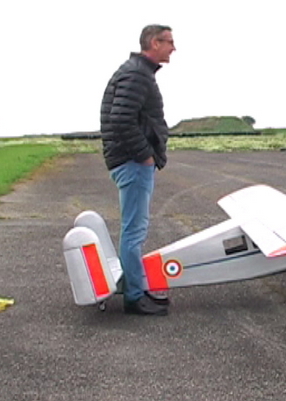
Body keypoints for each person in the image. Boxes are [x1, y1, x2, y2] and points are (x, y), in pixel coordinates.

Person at [100, 24, 176, 315]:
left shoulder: (137, 72)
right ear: (154, 43)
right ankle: (134, 297)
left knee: (134, 230)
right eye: (169, 42)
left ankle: (137, 288)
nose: (173, 48)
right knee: (134, 231)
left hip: (130, 162)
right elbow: (120, 119)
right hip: (132, 164)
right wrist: (145, 156)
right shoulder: (137, 74)